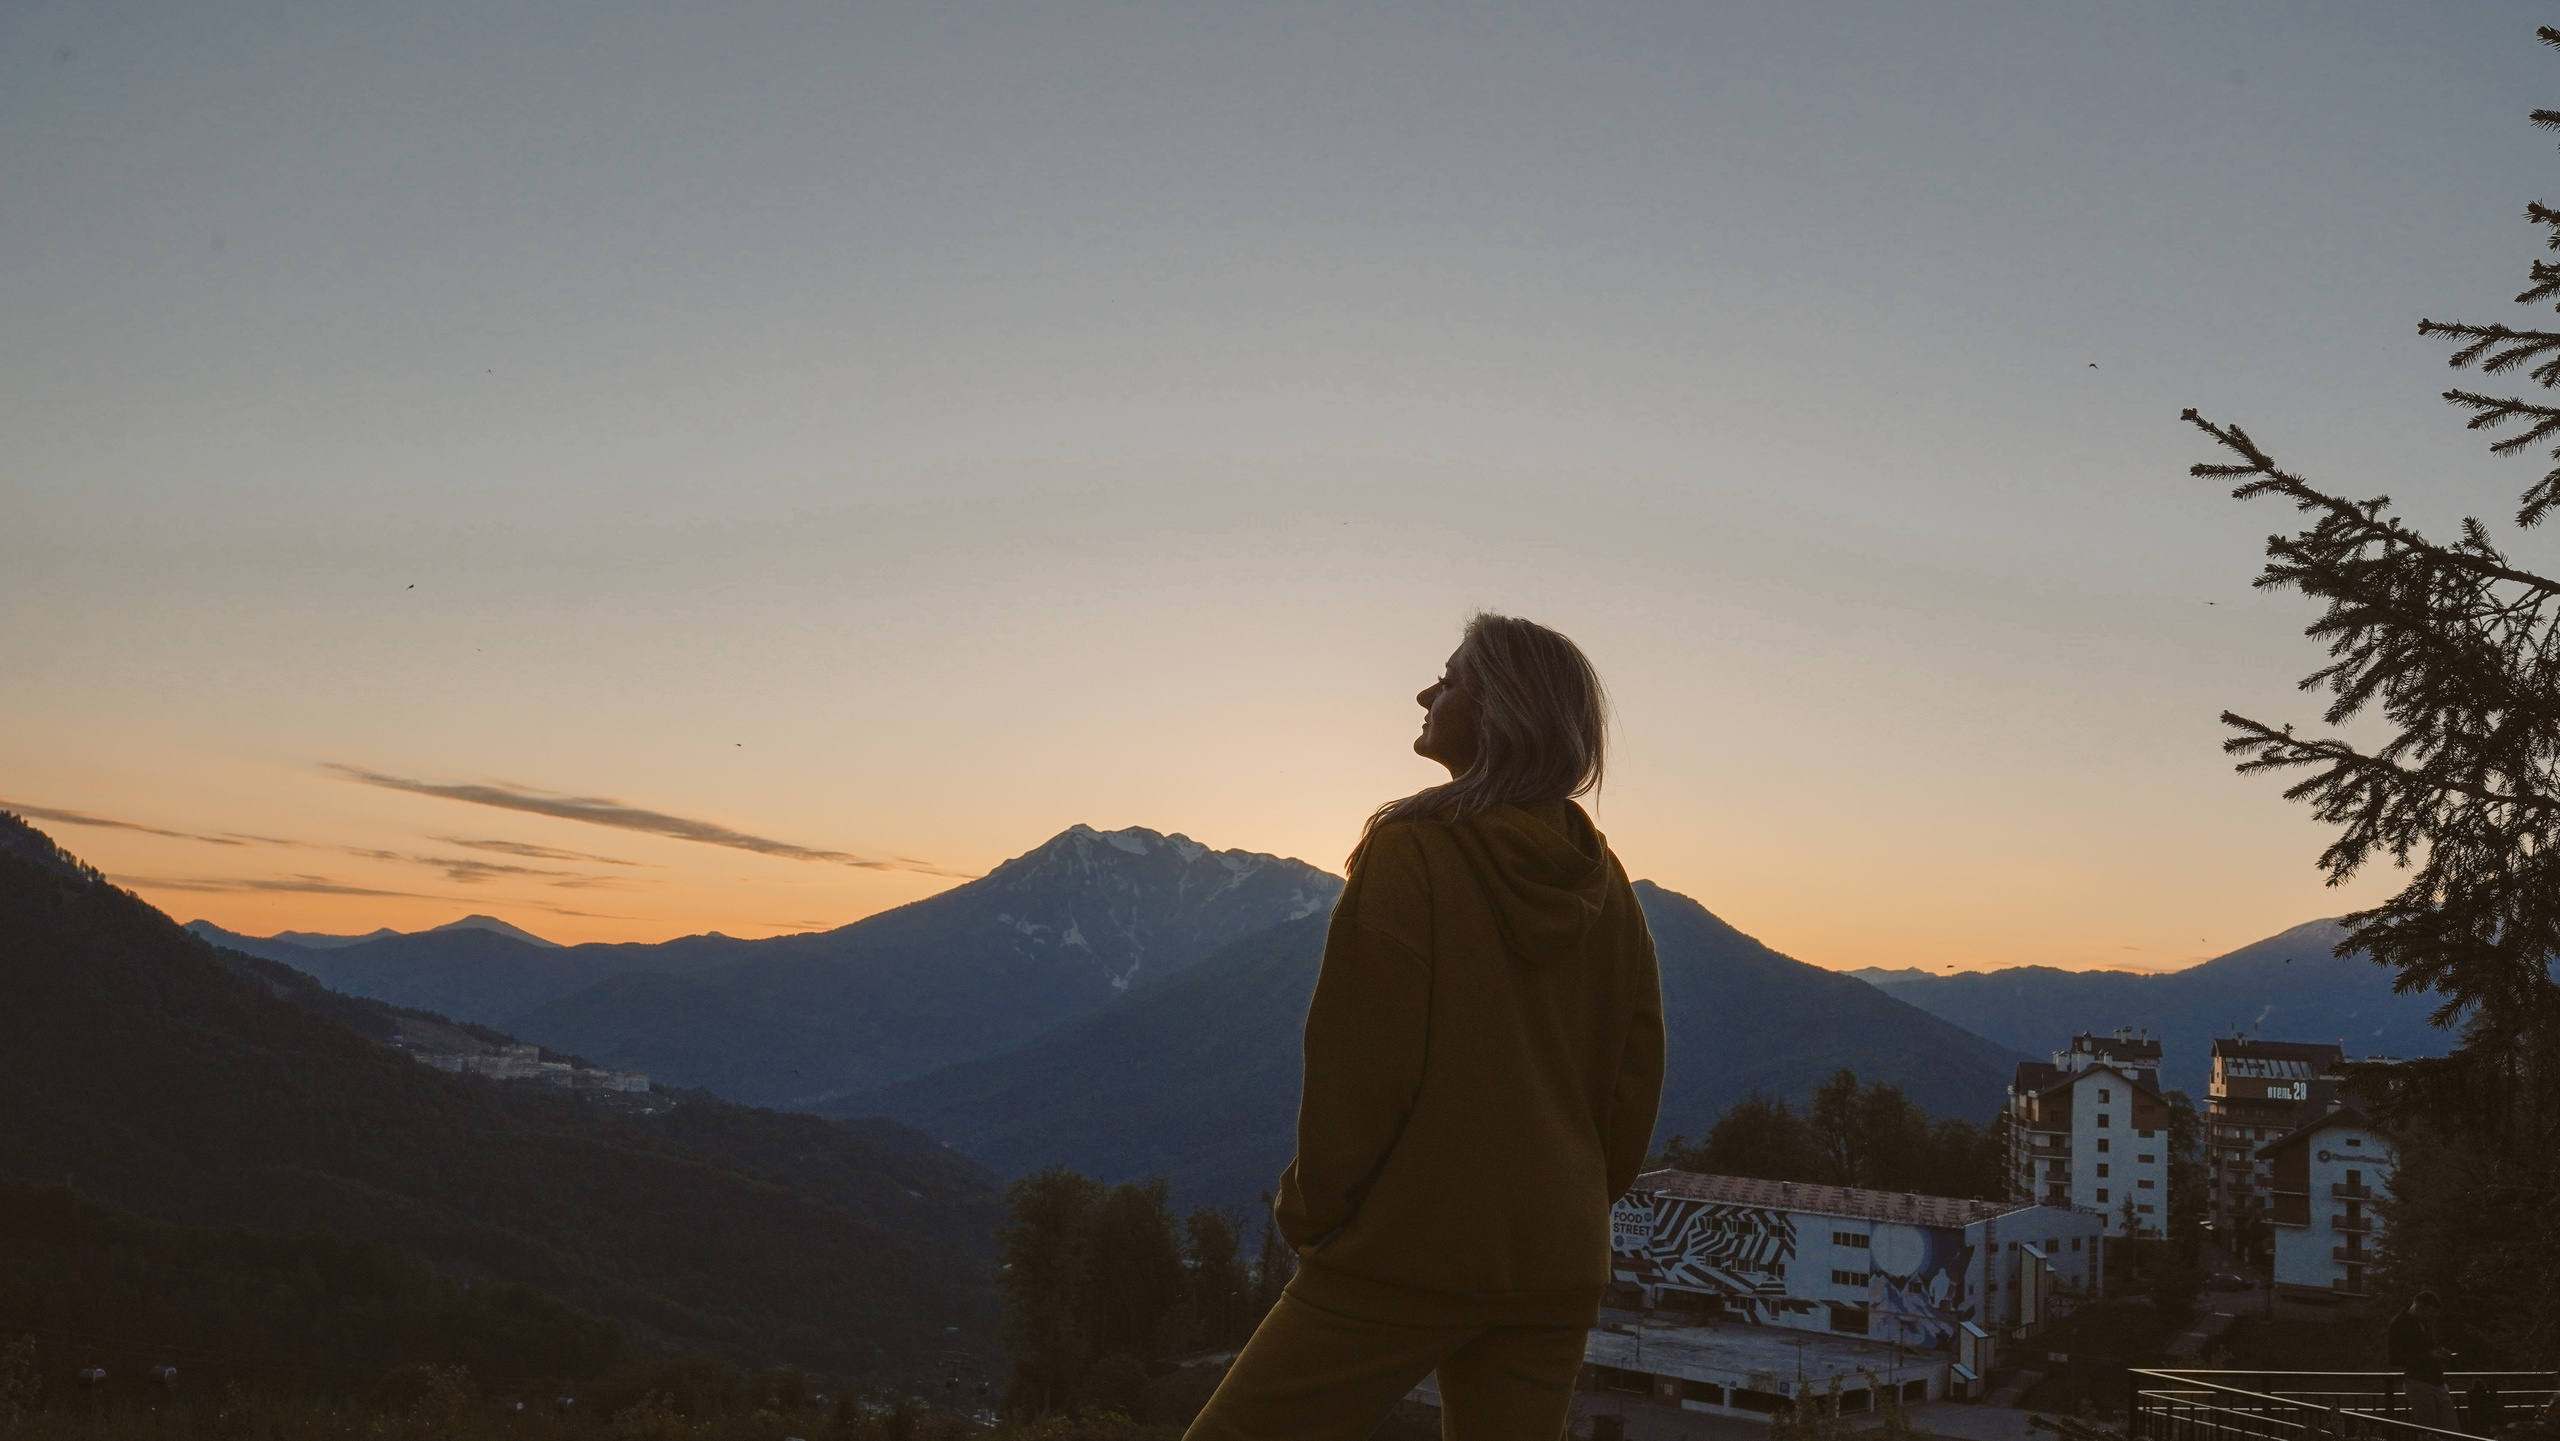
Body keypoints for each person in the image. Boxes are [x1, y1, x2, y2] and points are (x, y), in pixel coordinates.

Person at [1185, 613, 1666, 1441]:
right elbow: (1632, 1086)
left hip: (1405, 1252)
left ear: (1498, 709)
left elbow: (1361, 1067)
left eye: (1448, 679)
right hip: (1555, 1261)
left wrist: (1314, 1212)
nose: (1425, 693)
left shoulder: (1413, 851)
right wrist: (1565, 1199)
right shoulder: (1607, 884)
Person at [2387, 1291, 2456, 1432]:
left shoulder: (2424, 1322)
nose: (2432, 1318)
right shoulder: (2398, 1324)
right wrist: (2430, 1356)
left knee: (2450, 1431)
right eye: (2430, 1313)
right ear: (2418, 1306)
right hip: (2419, 1384)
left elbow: (2427, 1348)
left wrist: (2439, 1351)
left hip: (2437, 1383)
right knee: (2431, 1431)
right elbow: (2394, 1358)